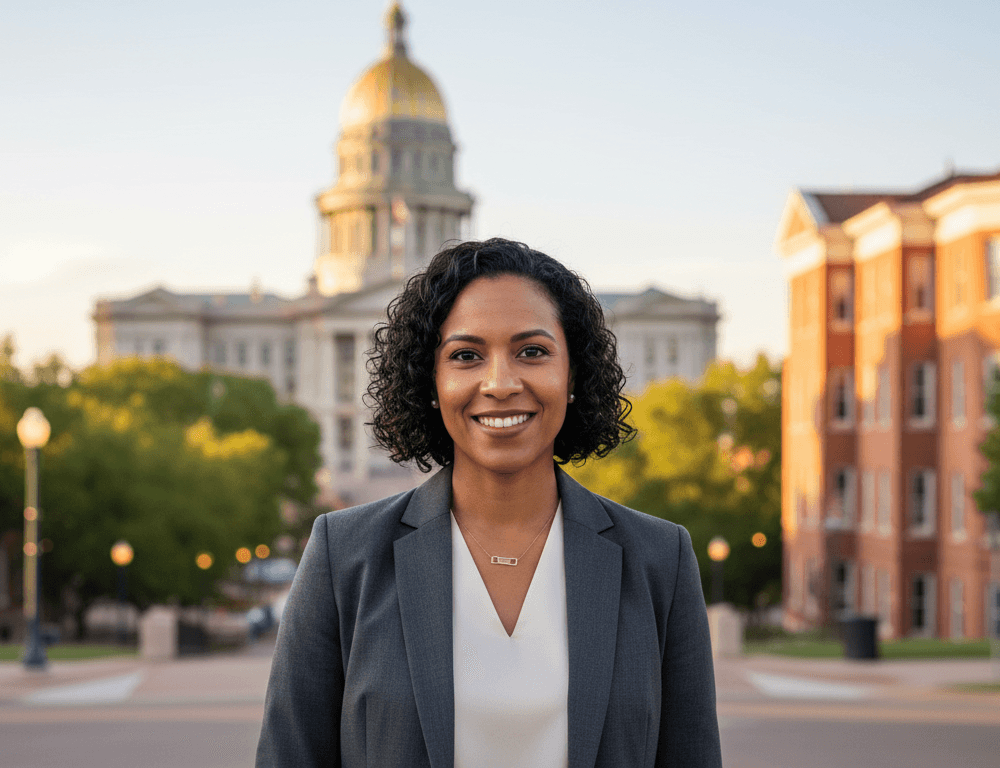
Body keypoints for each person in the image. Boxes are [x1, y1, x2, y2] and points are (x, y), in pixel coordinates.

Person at [257, 238, 721, 768]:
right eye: (466, 356)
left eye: (532, 351)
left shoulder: (660, 558)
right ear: (430, 382)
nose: (500, 383)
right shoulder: (345, 555)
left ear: (574, 376)